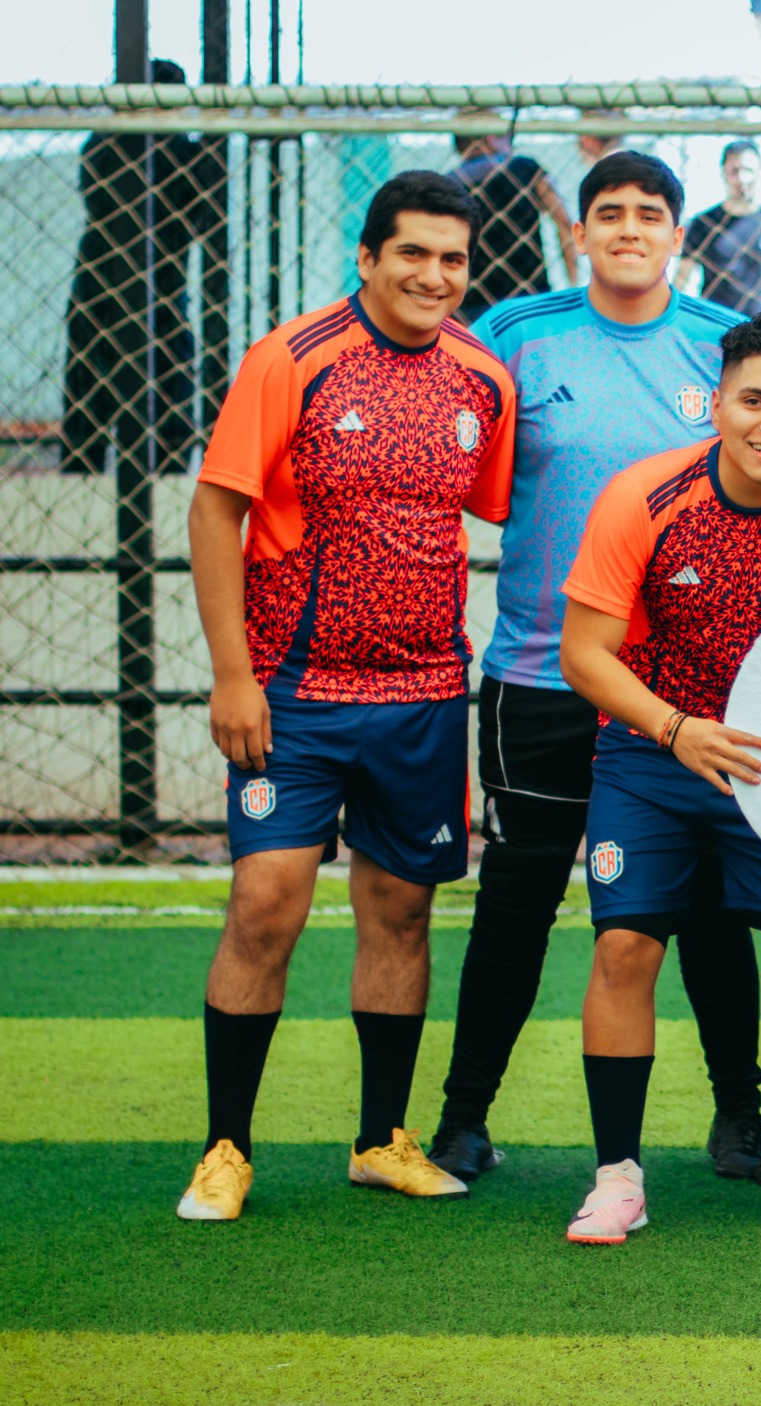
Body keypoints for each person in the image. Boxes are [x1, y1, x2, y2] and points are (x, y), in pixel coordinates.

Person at [423, 152, 761, 1186]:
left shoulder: (723, 343)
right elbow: (426, 394)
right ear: (577, 233)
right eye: (607, 212)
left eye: (649, 213)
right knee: (516, 903)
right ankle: (463, 1118)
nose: (628, 227)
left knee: (708, 910)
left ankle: (741, 1114)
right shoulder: (514, 334)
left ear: (678, 235)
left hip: (686, 692)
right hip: (542, 674)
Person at [175, 172, 516, 1222]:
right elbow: (215, 510)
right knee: (265, 903)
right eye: (412, 252)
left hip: (423, 695)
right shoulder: (292, 358)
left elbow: (492, 510)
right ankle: (225, 1148)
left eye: (452, 259)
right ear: (367, 258)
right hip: (293, 694)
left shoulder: (482, 380)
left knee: (401, 911)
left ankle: (380, 1139)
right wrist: (233, 673)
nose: (433, 275)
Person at [555, 311, 761, 1246]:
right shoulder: (643, 496)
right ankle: (617, 1179)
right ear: (716, 404)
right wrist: (676, 730)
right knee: (625, 950)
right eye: (753, 400)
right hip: (653, 755)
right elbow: (584, 654)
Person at [62, 57, 204, 475]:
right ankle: (169, 473)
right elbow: (198, 215)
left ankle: (83, 472)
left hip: (104, 283)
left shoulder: (103, 143)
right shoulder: (182, 151)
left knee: (90, 382)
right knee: (168, 378)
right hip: (157, 285)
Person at [452, 128, 578, 320]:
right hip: (530, 302)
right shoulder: (525, 168)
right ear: (492, 137)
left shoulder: (450, 183)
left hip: (470, 307)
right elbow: (564, 224)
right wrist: (572, 286)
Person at [679, 140, 761, 316]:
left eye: (748, 170)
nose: (742, 179)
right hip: (716, 322)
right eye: (734, 171)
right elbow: (681, 280)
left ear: (759, 172)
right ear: (724, 173)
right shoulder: (704, 223)